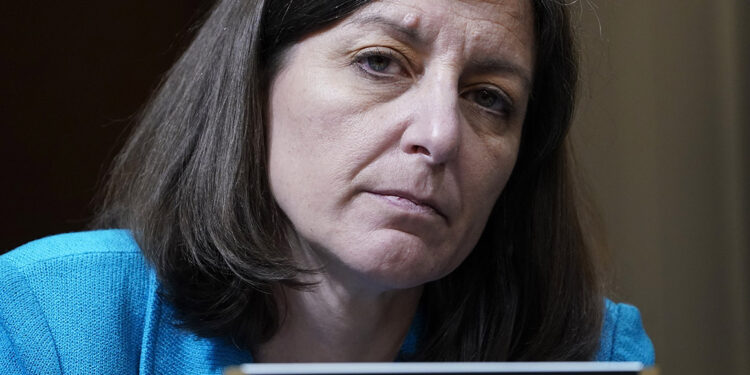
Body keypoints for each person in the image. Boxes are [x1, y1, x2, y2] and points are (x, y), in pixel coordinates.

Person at [0, 0, 654, 373]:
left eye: (489, 98)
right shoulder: (53, 320)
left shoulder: (590, 352)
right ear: (256, 81)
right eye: (380, 62)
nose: (440, 133)